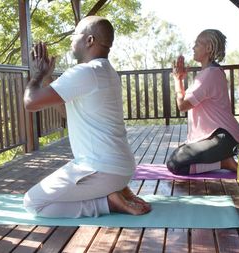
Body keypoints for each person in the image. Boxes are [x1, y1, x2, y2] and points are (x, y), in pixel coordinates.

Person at [22, 16, 151, 218]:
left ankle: (107, 202)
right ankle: (114, 191)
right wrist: (48, 78)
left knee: (34, 203)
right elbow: (67, 112)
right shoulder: (106, 72)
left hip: (101, 170)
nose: (71, 40)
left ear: (89, 40)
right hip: (119, 169)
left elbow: (31, 102)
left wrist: (38, 74)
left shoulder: (85, 72)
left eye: (75, 35)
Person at [166, 29, 239, 175]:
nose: (193, 47)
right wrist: (180, 79)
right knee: (178, 157)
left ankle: (224, 162)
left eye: (197, 44)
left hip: (222, 138)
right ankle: (224, 161)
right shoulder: (210, 72)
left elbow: (182, 106)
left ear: (208, 48)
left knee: (174, 164)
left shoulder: (209, 75)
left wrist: (177, 80)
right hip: (217, 137)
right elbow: (186, 103)